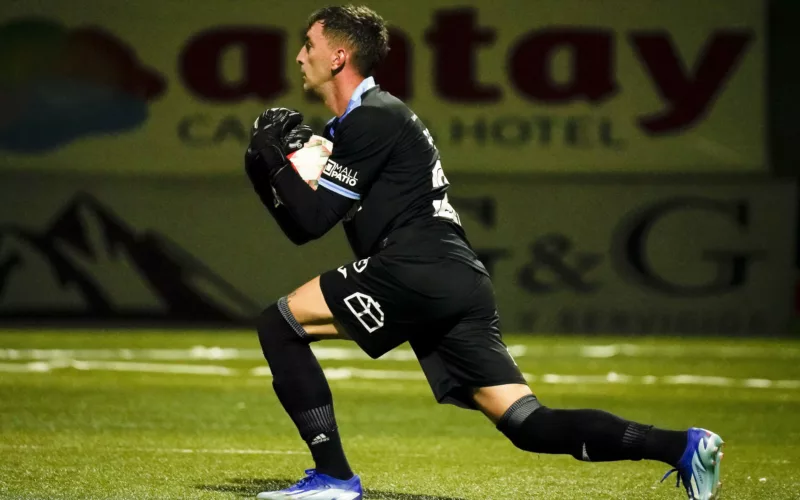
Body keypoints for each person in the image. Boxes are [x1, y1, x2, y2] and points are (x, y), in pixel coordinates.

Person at [243, 5, 724, 500]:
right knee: (527, 423)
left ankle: (334, 479)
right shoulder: (357, 126)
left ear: (339, 56)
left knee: (278, 325)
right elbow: (302, 225)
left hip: (418, 263)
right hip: (453, 274)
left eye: (309, 44)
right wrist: (271, 172)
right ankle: (683, 446)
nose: (300, 56)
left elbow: (313, 218)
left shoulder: (372, 118)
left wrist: (274, 163)